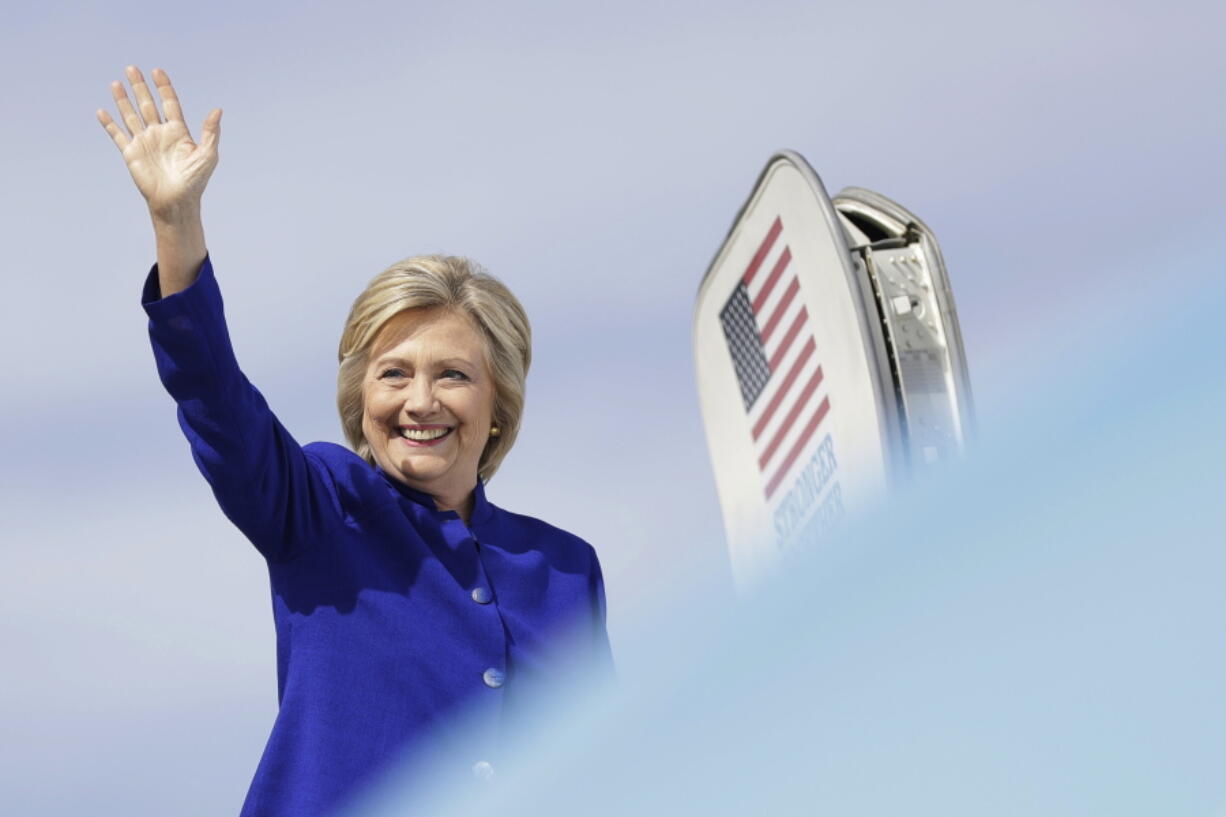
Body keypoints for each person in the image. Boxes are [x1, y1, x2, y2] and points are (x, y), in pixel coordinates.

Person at [96, 66, 613, 817]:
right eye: (394, 373)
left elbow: (606, 768)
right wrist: (177, 225)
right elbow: (217, 402)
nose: (421, 400)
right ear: (361, 399)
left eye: (454, 375)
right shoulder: (322, 508)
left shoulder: (567, 569)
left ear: (498, 399)